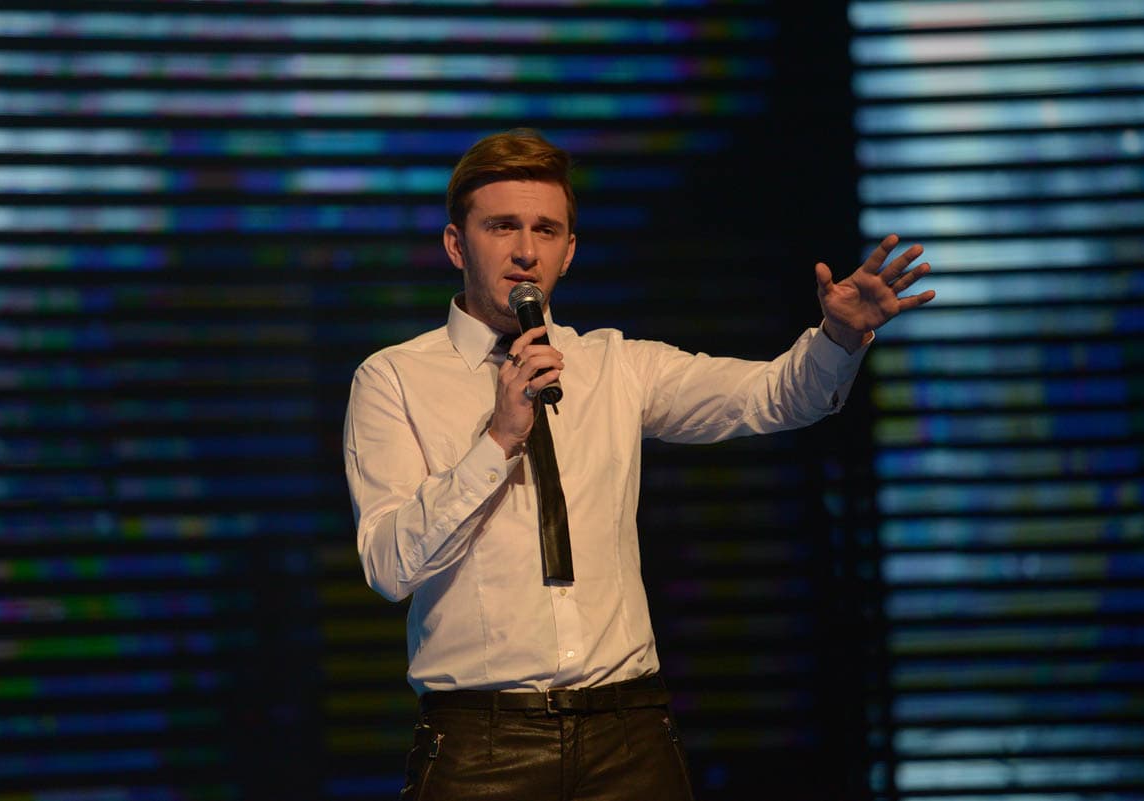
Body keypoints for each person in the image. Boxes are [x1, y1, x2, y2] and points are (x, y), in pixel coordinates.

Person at [343, 128, 933, 801]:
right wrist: (498, 439)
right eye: (502, 226)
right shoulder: (394, 378)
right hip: (482, 742)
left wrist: (839, 336)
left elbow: (772, 395)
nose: (525, 250)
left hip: (628, 734)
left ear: (569, 251)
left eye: (545, 230)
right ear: (456, 244)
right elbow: (388, 566)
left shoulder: (616, 365)